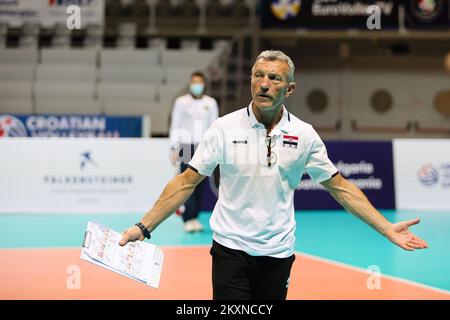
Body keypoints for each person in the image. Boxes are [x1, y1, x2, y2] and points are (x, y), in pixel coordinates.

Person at [120, 50, 428, 300]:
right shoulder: (224, 128)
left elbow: (341, 187)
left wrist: (386, 228)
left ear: (290, 88)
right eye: (258, 76)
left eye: (274, 78)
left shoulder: (303, 135)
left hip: (278, 254)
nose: (264, 84)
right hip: (230, 250)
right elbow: (185, 182)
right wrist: (144, 227)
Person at [169, 71, 218, 233]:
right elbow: (176, 123)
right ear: (190, 84)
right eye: (194, 82)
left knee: (200, 183)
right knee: (187, 182)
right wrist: (174, 147)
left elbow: (214, 126)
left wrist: (214, 147)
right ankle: (188, 217)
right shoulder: (181, 102)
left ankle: (195, 217)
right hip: (187, 145)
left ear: (204, 84)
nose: (196, 85)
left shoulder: (210, 103)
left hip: (204, 147)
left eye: (199, 82)